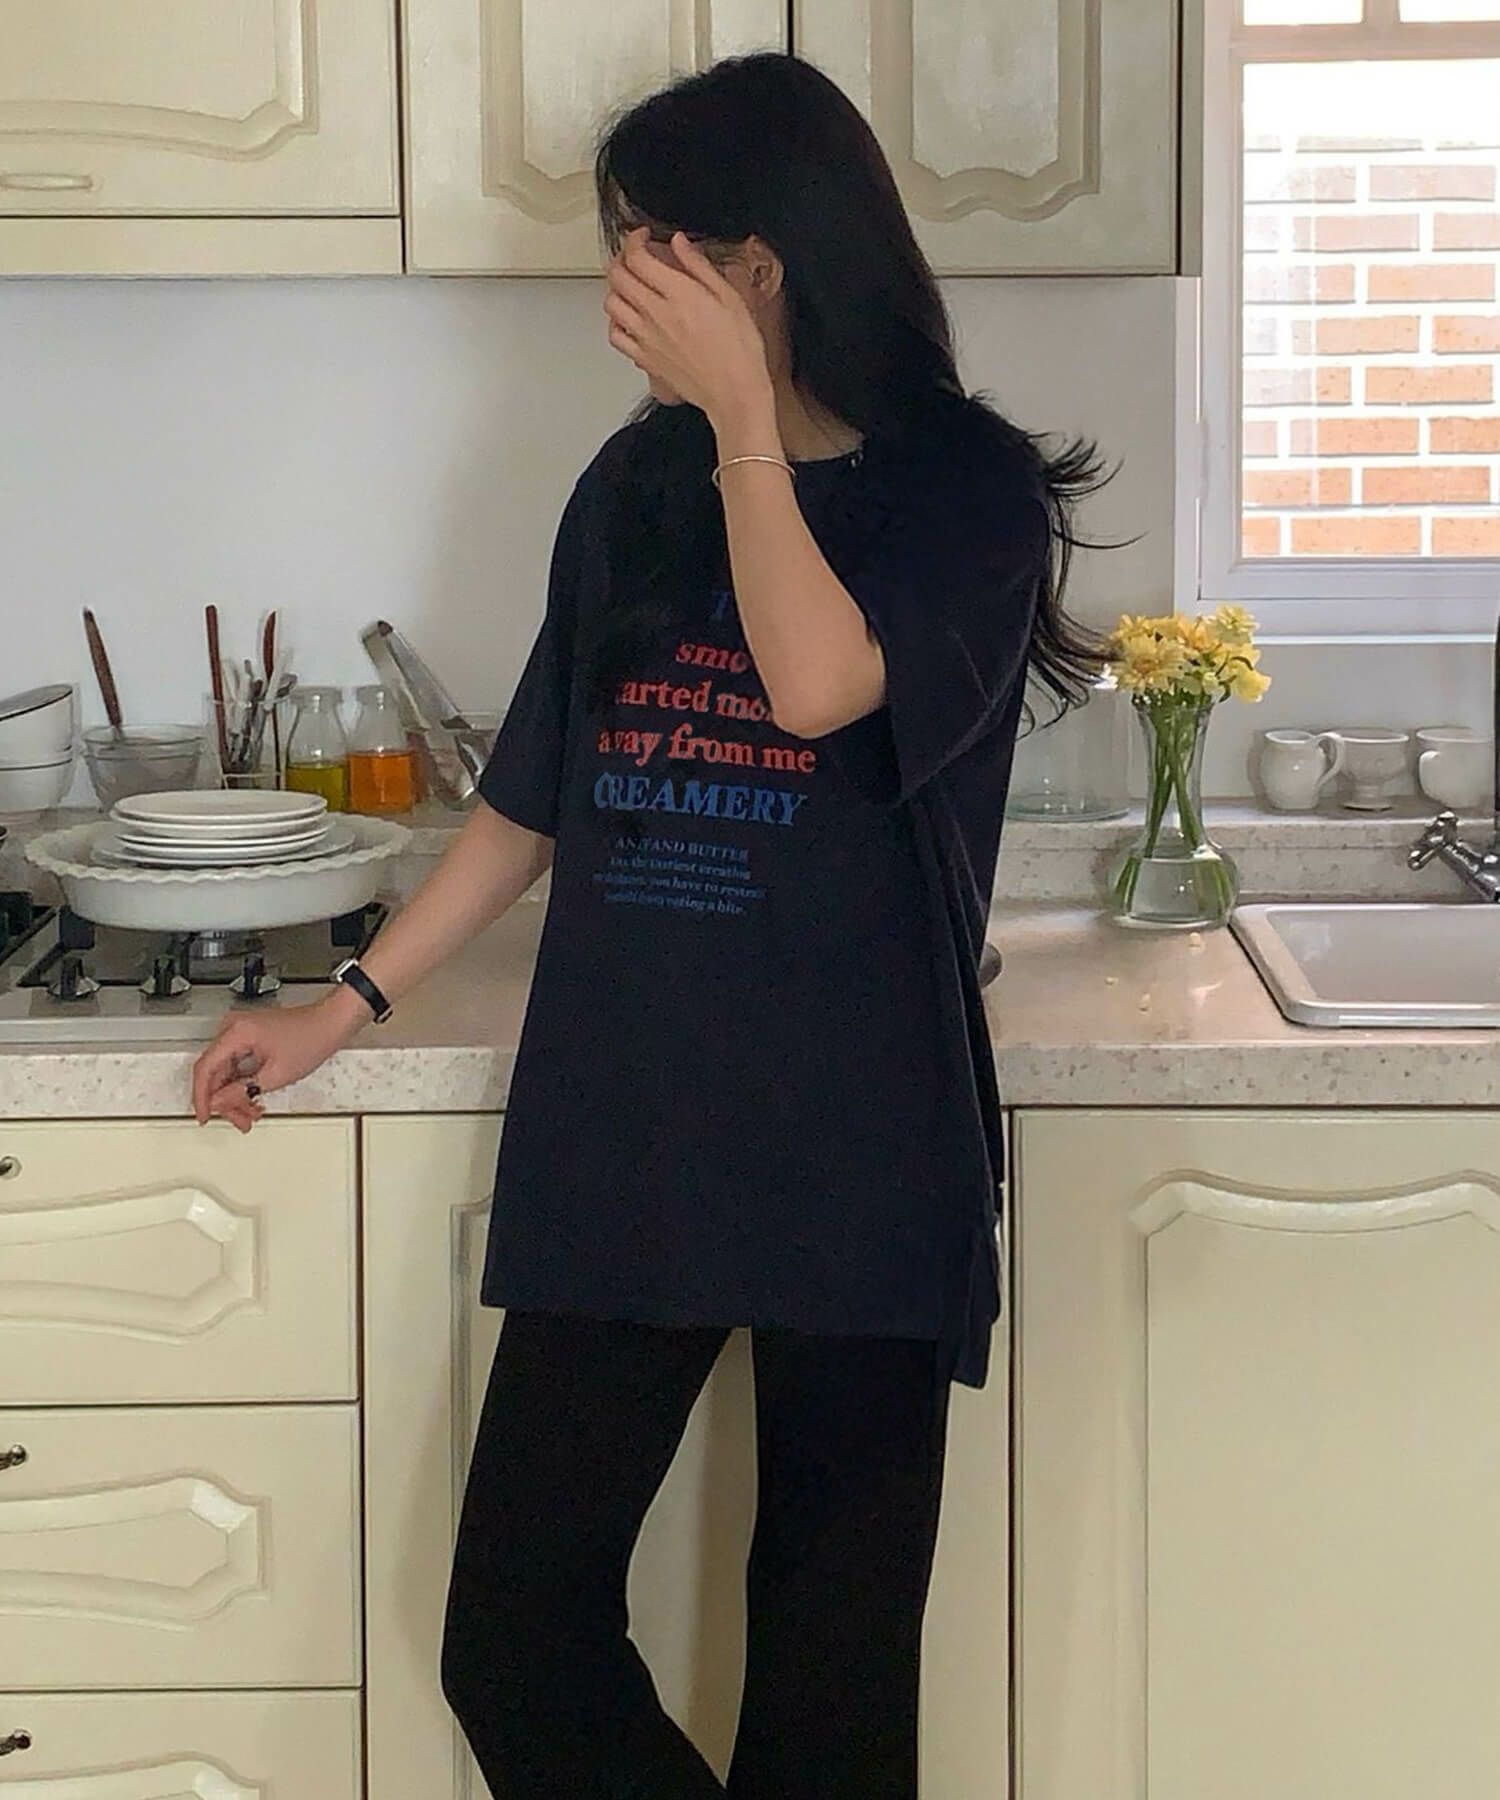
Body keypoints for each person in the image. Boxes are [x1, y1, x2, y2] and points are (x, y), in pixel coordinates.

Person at [191, 50, 1105, 1800]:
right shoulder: (636, 490)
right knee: (513, 1635)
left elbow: (820, 682)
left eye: (648, 239)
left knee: (831, 1705)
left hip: (863, 1139)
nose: (620, 277)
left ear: (759, 259)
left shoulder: (966, 489)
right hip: (635, 1125)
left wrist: (748, 420)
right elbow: (534, 799)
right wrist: (345, 1002)